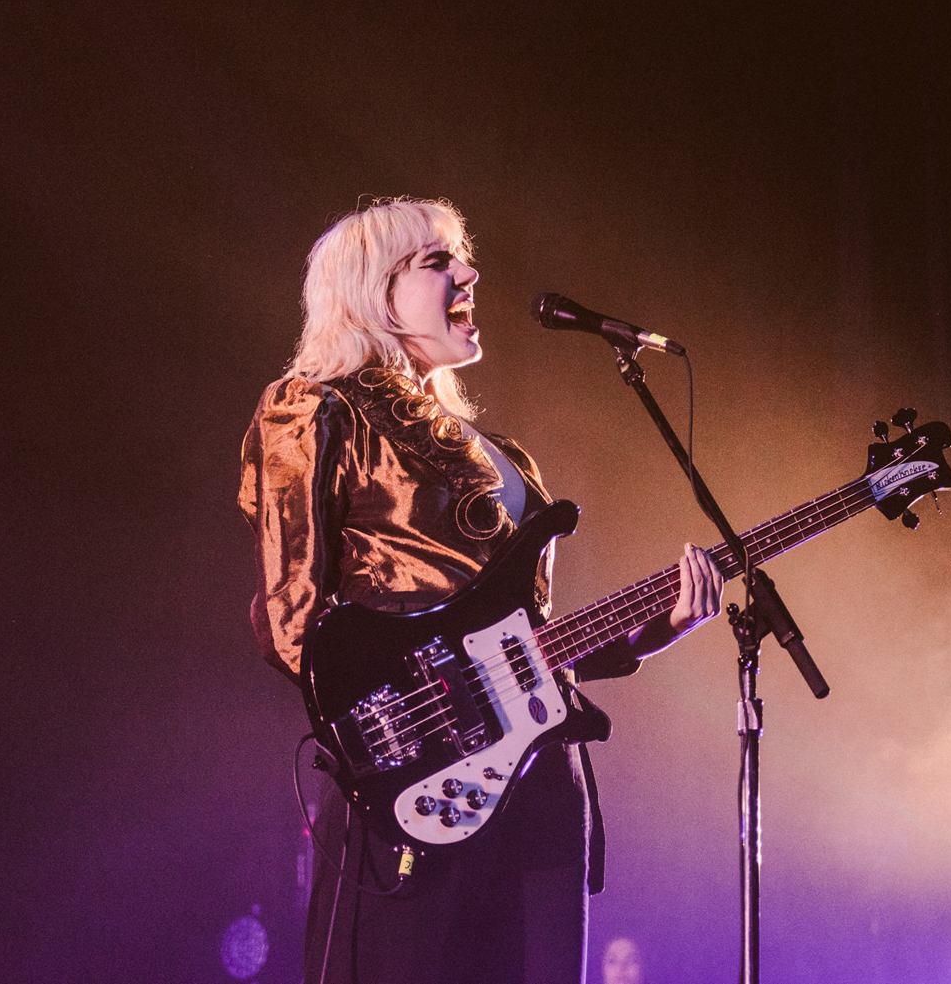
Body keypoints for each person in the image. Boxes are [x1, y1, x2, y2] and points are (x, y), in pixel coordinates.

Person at [238, 198, 723, 984]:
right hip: (409, 786)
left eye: (460, 257)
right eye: (437, 261)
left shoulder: (511, 460)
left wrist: (653, 626)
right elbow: (289, 617)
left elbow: (525, 648)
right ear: (373, 290)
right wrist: (412, 717)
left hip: (540, 796)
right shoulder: (316, 410)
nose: (469, 272)